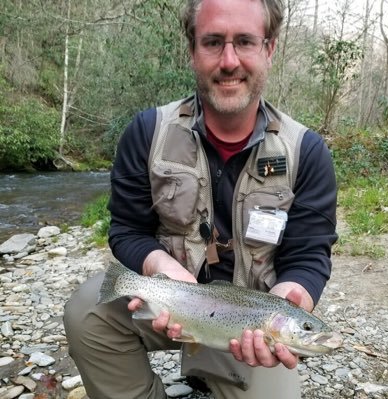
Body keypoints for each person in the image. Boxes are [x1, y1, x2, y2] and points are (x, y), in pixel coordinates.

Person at [64, 0, 338, 398]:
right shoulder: (147, 132)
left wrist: (295, 292)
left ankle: (213, 373)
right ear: (192, 49)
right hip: (172, 299)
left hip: (250, 321)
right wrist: (159, 267)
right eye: (213, 42)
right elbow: (127, 229)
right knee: (87, 311)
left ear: (269, 48)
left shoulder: (306, 152)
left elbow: (310, 253)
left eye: (244, 41)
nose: (229, 61)